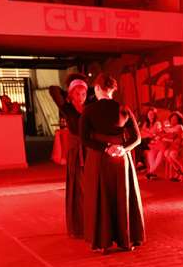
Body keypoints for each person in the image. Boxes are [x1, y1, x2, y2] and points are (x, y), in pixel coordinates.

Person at [79, 73, 144, 253]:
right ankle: (126, 240)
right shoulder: (123, 108)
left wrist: (106, 147)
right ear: (113, 90)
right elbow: (137, 138)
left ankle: (103, 242)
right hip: (121, 160)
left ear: (97, 88)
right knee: (122, 196)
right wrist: (123, 148)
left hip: (99, 159)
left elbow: (84, 139)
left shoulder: (89, 110)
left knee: (102, 198)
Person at [49, 74, 88, 237]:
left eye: (84, 94)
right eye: (77, 94)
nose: (81, 97)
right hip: (75, 151)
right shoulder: (67, 108)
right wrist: (72, 85)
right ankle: (79, 226)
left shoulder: (89, 108)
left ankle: (92, 222)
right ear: (71, 94)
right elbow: (53, 90)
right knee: (78, 187)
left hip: (89, 150)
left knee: (90, 187)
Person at [149, 111, 183, 180]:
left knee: (168, 154)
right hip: (166, 146)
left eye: (175, 119)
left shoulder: (179, 126)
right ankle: (152, 171)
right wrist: (164, 134)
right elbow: (161, 134)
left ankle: (181, 169)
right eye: (172, 119)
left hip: (176, 147)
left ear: (178, 120)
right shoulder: (168, 127)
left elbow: (172, 136)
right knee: (152, 152)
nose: (173, 120)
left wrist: (164, 135)